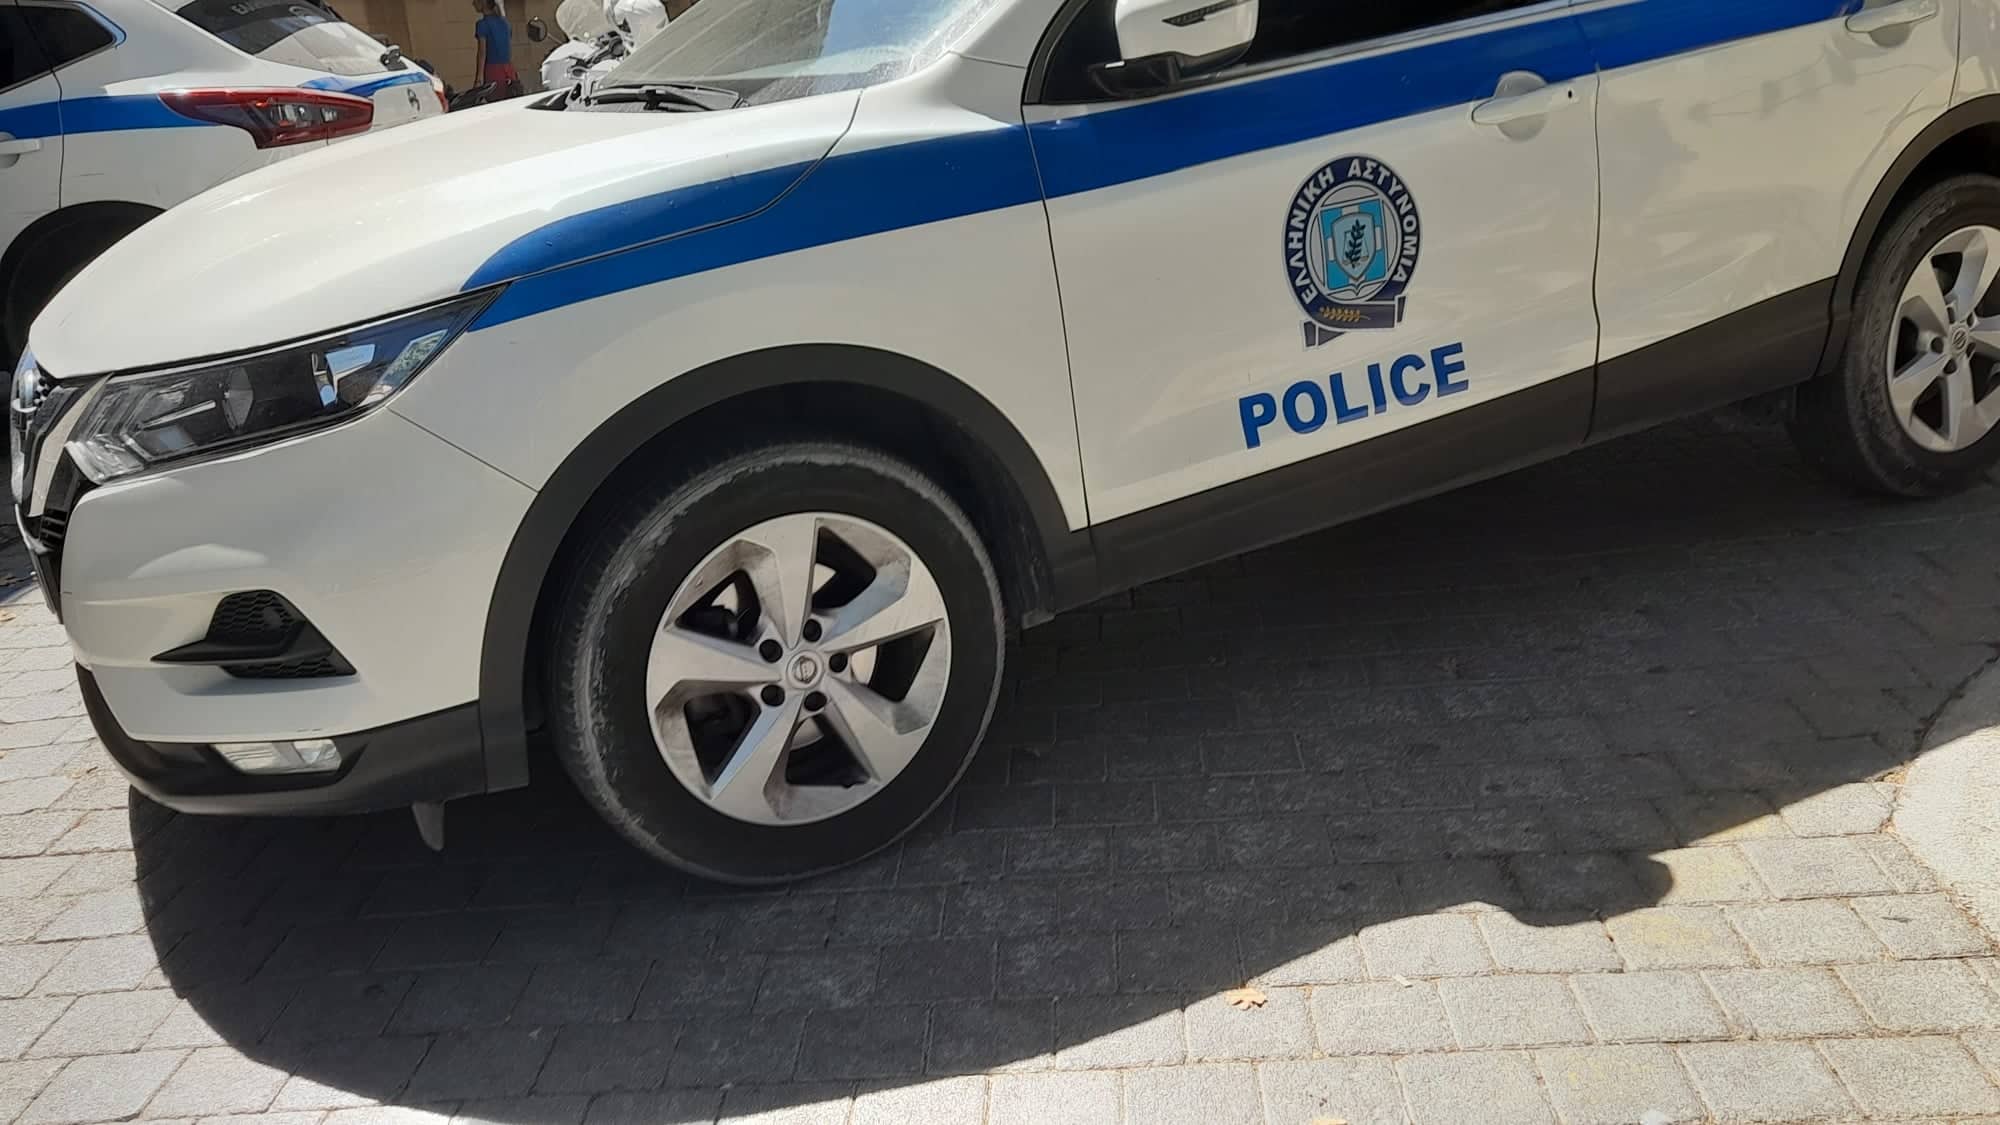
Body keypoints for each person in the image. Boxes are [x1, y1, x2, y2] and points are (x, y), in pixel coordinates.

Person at [471, 0, 522, 96]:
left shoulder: (482, 24)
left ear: (483, 2)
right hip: (509, 70)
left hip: (493, 71)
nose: (473, 4)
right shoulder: (505, 23)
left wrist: (479, 78)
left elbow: (482, 53)